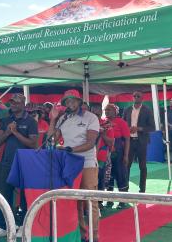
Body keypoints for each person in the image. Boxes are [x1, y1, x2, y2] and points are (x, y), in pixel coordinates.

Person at [48, 89, 100, 242]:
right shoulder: (63, 118)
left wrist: (71, 149)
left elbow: (90, 143)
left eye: (73, 100)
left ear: (79, 102)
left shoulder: (91, 117)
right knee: (75, 202)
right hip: (70, 164)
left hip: (88, 163)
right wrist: (53, 119)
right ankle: (83, 235)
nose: (70, 103)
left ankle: (94, 236)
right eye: (67, 101)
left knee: (91, 200)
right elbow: (51, 140)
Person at [0, 94, 38, 239]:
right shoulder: (5, 120)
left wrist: (16, 132)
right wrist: (8, 132)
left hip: (25, 163)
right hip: (7, 162)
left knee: (24, 196)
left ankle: (23, 225)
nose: (13, 105)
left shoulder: (30, 121)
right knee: (3, 194)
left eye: (16, 102)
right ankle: (3, 226)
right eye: (12, 102)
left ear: (23, 104)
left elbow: (33, 144)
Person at [123, 91, 155, 193]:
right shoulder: (127, 110)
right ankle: (125, 188)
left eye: (138, 96)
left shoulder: (147, 110)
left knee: (142, 166)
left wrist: (139, 128)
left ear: (142, 98)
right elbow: (123, 125)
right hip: (129, 142)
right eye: (134, 96)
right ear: (132, 98)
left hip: (141, 142)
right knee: (126, 165)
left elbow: (152, 127)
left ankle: (142, 189)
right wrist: (127, 129)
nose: (136, 97)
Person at [104, 104, 130, 209]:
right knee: (109, 176)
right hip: (107, 152)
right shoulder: (104, 122)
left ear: (115, 112)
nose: (107, 112)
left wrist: (126, 155)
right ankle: (110, 201)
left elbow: (127, 139)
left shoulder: (121, 122)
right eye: (105, 110)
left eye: (109, 110)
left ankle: (123, 200)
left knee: (120, 175)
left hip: (119, 152)